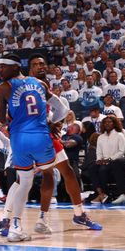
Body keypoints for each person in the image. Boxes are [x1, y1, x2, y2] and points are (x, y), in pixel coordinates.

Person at [26, 54, 101, 232]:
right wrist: (49, 123)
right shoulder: (28, 85)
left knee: (58, 173)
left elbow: (62, 109)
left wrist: (52, 122)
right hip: (33, 135)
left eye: (42, 63)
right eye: (35, 64)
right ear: (29, 69)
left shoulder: (43, 85)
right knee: (42, 177)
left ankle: (47, 219)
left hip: (43, 135)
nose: (40, 67)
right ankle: (14, 220)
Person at [0, 54, 56, 242]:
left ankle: (14, 225)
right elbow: (60, 108)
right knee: (49, 173)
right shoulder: (40, 84)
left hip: (19, 139)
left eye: (3, 67)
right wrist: (52, 122)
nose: (0, 71)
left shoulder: (4, 87)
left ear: (15, 67)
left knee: (24, 181)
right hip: (41, 136)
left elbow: (3, 119)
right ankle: (42, 219)